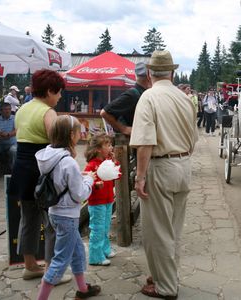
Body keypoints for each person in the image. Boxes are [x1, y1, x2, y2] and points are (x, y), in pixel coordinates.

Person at [130, 50, 198, 299]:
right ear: (172, 72)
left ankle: (166, 286)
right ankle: (164, 275)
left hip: (161, 166)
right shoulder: (184, 98)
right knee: (173, 230)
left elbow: (145, 143)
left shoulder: (148, 98)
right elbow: (193, 141)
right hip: (183, 165)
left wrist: (140, 177)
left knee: (157, 232)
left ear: (149, 73)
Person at [7, 69, 69, 282]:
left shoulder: (22, 109)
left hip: (22, 169)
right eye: (59, 92)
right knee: (51, 222)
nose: (60, 97)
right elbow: (57, 142)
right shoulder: (48, 112)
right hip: (42, 171)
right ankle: (52, 270)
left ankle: (30, 265)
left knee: (28, 220)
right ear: (50, 90)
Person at [36, 115, 101, 300]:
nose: (81, 134)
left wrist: (79, 177)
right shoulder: (68, 161)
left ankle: (82, 289)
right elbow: (80, 194)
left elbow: (60, 181)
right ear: (71, 135)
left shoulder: (49, 155)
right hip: (67, 216)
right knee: (60, 261)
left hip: (55, 212)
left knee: (78, 252)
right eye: (78, 131)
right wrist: (89, 179)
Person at [84, 133, 120, 266]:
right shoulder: (91, 165)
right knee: (97, 228)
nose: (111, 147)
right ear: (98, 149)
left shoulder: (107, 162)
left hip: (108, 199)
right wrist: (94, 184)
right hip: (97, 202)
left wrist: (115, 162)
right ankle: (95, 256)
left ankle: (104, 249)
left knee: (105, 227)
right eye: (108, 144)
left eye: (111, 144)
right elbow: (85, 181)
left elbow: (117, 176)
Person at [100, 62, 151, 135]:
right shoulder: (133, 94)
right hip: (132, 142)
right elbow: (104, 113)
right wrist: (123, 128)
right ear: (149, 77)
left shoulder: (144, 93)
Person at [0, 102, 17, 171]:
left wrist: (8, 134)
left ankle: (13, 170)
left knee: (14, 150)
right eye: (5, 109)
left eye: (9, 109)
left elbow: (17, 130)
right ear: (1, 111)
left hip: (12, 143)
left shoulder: (14, 118)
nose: (8, 111)